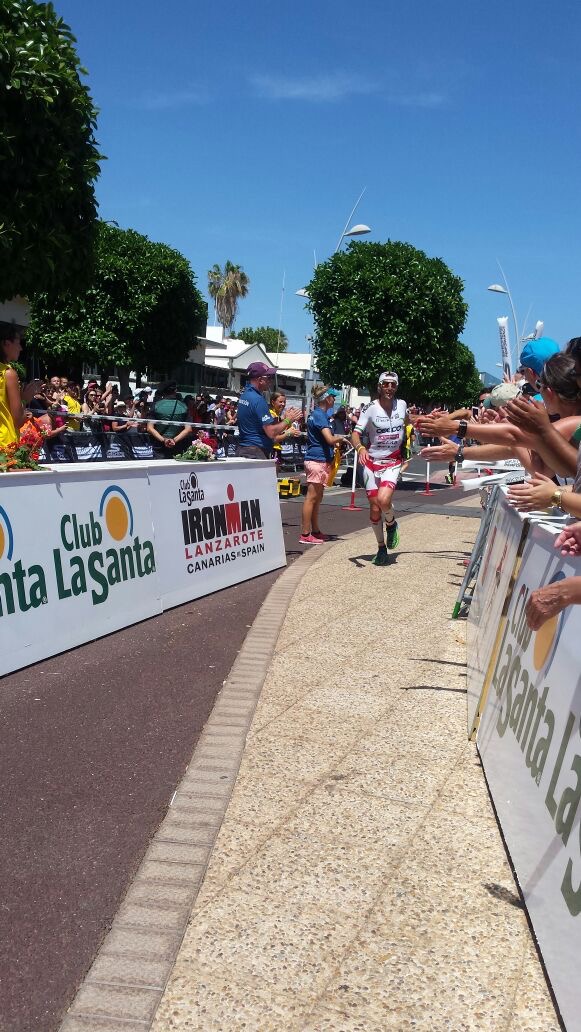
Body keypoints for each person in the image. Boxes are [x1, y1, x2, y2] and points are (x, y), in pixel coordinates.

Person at [351, 371, 409, 565]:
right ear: (379, 386)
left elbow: (408, 423)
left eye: (393, 384)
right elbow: (355, 434)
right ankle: (381, 547)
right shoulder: (370, 408)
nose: (389, 388)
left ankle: (391, 524)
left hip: (392, 461)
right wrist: (360, 448)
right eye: (386, 384)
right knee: (375, 508)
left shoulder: (402, 405)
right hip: (370, 462)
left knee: (384, 500)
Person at [300, 385, 346, 544]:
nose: (334, 400)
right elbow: (330, 439)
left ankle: (315, 530)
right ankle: (306, 534)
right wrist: (343, 438)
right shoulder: (320, 415)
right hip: (317, 460)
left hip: (318, 459)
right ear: (327, 398)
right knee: (312, 497)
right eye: (333, 397)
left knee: (316, 498)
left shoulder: (318, 415)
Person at [236, 362, 302, 459]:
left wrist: (283, 419)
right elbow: (271, 433)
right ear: (260, 380)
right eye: (268, 377)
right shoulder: (258, 400)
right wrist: (289, 419)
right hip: (255, 451)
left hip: (243, 448)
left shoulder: (245, 395)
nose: (270, 381)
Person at [0, 327, 41, 448]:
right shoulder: (8, 374)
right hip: (5, 444)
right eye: (18, 343)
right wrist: (24, 399)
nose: (21, 348)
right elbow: (18, 420)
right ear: (6, 343)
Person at [146, 381, 192, 458]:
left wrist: (164, 440)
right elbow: (188, 429)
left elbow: (149, 428)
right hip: (178, 445)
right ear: (175, 391)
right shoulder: (184, 407)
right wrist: (174, 440)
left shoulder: (156, 405)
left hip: (159, 445)